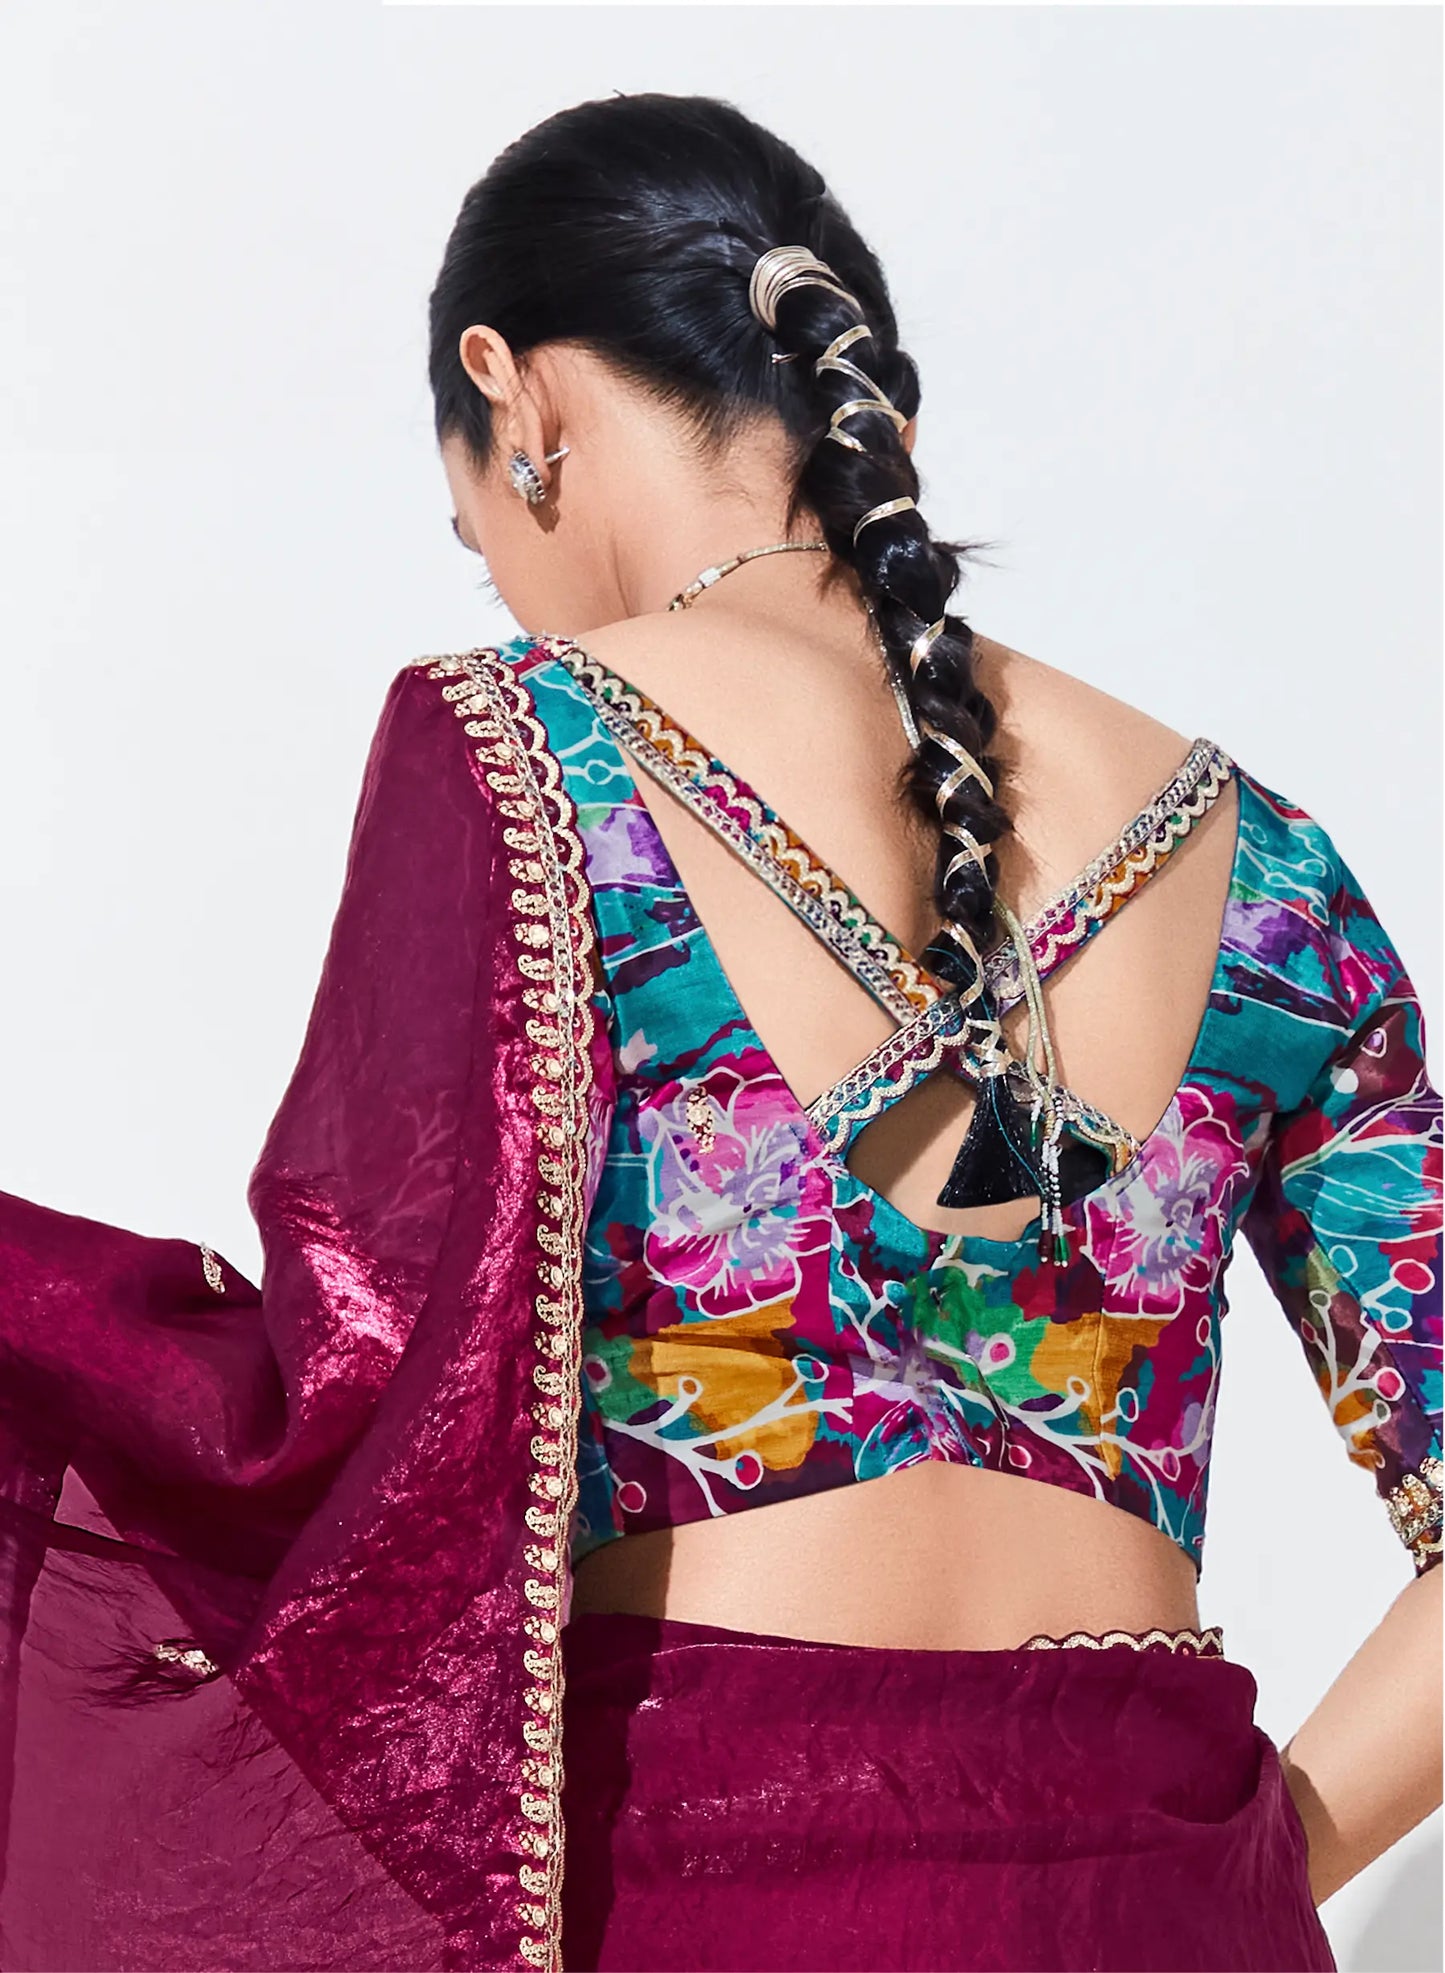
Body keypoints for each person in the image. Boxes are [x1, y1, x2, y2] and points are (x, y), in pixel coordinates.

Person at [0, 90, 1438, 1973]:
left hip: (714, 1893)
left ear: (515, 396)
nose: (502, 578)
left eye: (472, 531)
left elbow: (340, 1403)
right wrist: (1230, 1875)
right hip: (1170, 1911)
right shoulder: (1264, 863)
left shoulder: (522, 748)